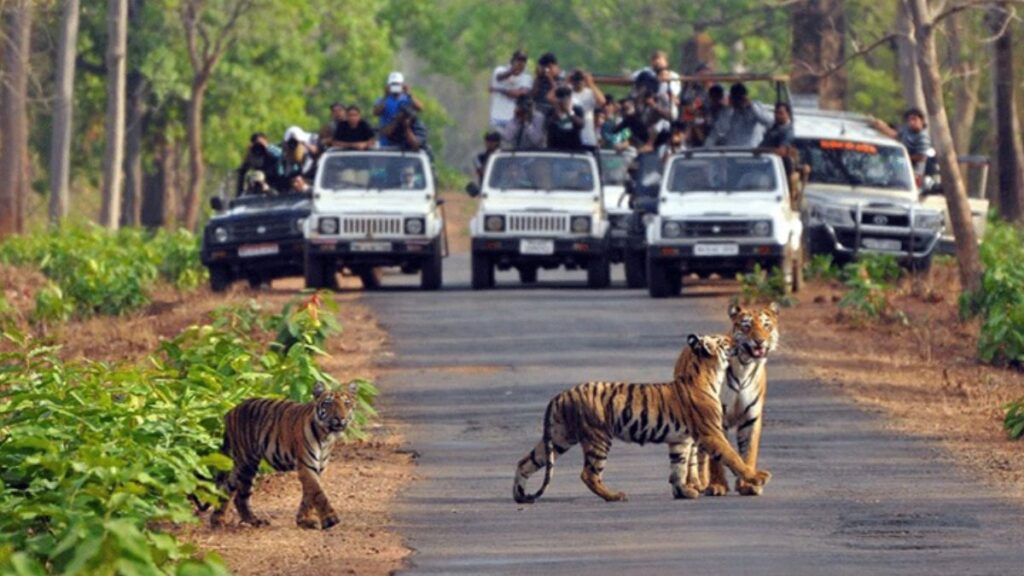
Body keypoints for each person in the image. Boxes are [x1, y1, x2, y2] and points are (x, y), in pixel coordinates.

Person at [709, 83, 773, 148]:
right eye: (735, 98)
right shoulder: (728, 111)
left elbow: (769, 122)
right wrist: (729, 108)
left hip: (752, 152)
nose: (738, 101)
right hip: (733, 152)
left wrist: (751, 106)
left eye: (739, 99)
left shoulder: (755, 109)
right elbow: (717, 130)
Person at [869, 108, 932, 174]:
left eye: (914, 119)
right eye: (909, 120)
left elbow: (921, 157)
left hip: (912, 171)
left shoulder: (923, 136)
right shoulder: (907, 130)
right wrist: (881, 126)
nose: (912, 122)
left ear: (921, 120)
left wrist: (902, 157)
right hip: (897, 166)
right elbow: (896, 135)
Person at [373, 71, 424, 146]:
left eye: (398, 85)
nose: (395, 87)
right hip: (386, 142)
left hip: (405, 140)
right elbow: (375, 113)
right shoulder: (382, 100)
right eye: (393, 85)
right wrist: (385, 96)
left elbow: (420, 108)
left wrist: (409, 94)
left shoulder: (408, 99)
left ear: (403, 85)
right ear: (388, 86)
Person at [490, 50, 534, 130]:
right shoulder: (500, 70)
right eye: (518, 60)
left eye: (523, 61)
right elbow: (499, 77)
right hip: (497, 118)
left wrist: (499, 90)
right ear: (512, 61)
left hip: (514, 119)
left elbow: (519, 94)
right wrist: (512, 71)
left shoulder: (527, 77)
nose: (520, 64)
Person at [568, 69, 606, 149]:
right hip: (570, 135)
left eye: (581, 79)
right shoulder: (568, 92)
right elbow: (551, 98)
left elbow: (602, 101)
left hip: (587, 136)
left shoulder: (590, 93)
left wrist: (591, 83)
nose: (578, 82)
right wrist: (566, 81)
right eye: (576, 79)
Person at [545, 86, 585, 151]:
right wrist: (556, 112)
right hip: (555, 148)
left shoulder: (577, 109)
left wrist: (569, 112)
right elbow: (547, 126)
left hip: (573, 148)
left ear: (570, 98)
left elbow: (581, 125)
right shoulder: (551, 111)